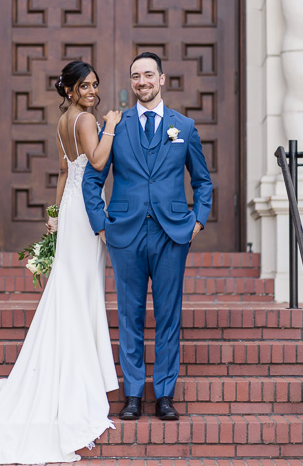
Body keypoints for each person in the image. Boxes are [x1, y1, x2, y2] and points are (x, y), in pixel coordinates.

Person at [0, 61, 122, 463]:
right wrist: (110, 124)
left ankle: (75, 368)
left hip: (72, 210)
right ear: (71, 89)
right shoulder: (87, 121)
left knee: (71, 288)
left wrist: (55, 214)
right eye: (86, 86)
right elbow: (96, 162)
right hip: (87, 210)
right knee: (79, 289)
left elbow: (63, 170)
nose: (93, 91)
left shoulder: (64, 121)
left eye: (96, 85)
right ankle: (80, 377)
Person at [82, 52, 212, 421]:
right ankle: (134, 394)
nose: (142, 81)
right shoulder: (116, 126)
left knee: (169, 315)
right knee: (130, 315)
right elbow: (93, 179)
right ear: (131, 82)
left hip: (173, 233)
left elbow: (202, 181)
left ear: (162, 79)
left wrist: (197, 222)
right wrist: (101, 224)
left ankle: (165, 394)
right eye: (136, 76)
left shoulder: (183, 127)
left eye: (149, 75)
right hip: (125, 232)